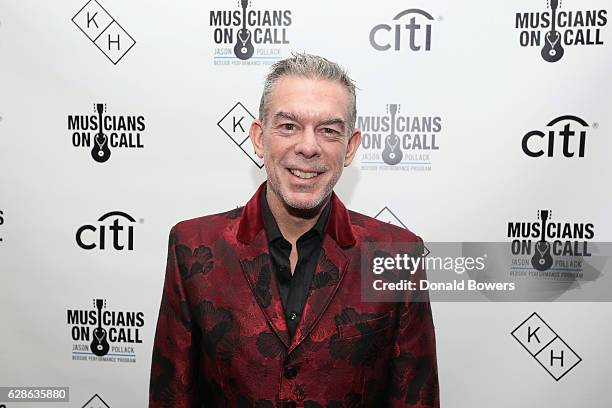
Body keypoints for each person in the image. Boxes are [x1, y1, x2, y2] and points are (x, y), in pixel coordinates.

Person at [149, 53, 439, 407]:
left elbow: (415, 399)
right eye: (288, 126)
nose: (307, 146)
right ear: (259, 138)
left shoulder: (396, 256)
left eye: (329, 131)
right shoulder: (193, 246)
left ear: (350, 147)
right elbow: (172, 396)